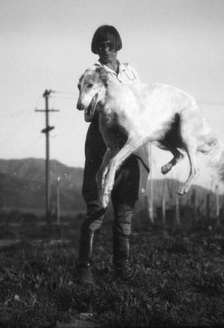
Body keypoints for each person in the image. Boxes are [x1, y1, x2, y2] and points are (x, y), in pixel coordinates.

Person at [76, 25, 149, 285]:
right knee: (97, 205)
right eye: (100, 46)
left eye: (109, 45)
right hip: (102, 143)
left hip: (130, 143)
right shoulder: (92, 73)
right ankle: (84, 269)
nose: (105, 50)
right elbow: (86, 112)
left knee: (125, 208)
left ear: (117, 45)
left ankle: (121, 271)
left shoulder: (131, 72)